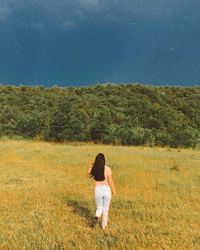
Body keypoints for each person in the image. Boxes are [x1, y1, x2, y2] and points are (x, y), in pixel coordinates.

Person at [88, 153, 116, 229]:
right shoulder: (108, 168)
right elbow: (110, 180)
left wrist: (91, 166)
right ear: (104, 160)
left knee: (99, 208)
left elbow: (89, 175)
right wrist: (113, 190)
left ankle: (96, 217)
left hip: (98, 190)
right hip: (107, 190)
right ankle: (103, 227)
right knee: (105, 209)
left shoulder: (95, 169)